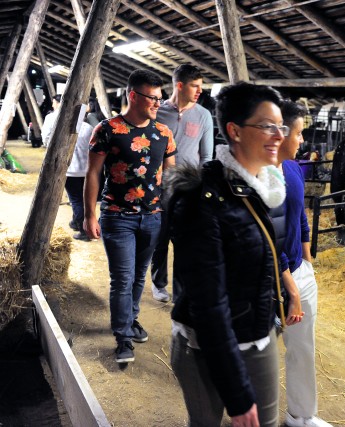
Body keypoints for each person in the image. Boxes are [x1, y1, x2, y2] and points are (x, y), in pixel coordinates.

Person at [167, 81, 287, 427]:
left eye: (280, 126)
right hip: (206, 348)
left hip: (259, 336)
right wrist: (236, 394)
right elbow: (209, 305)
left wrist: (285, 292)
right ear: (234, 130)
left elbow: (265, 257)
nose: (278, 134)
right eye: (267, 126)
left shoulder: (263, 188)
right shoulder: (203, 200)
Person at [83, 69, 176, 364]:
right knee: (122, 278)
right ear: (133, 96)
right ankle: (123, 336)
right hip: (117, 215)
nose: (157, 104)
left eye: (160, 98)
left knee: (138, 276)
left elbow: (172, 175)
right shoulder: (107, 129)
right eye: (153, 98)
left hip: (152, 216)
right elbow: (93, 173)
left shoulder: (163, 133)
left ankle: (131, 320)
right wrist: (89, 215)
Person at [278, 100, 333, 427]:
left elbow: (301, 218)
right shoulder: (264, 175)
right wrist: (291, 287)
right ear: (279, 132)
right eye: (298, 133)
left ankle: (301, 415)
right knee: (262, 352)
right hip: (275, 278)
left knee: (303, 348)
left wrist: (308, 261)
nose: (302, 141)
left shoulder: (294, 168)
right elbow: (272, 236)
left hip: (299, 271)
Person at [150, 64, 214, 303]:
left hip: (187, 189)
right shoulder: (159, 112)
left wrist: (203, 188)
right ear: (179, 85)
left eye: (201, 86)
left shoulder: (204, 115)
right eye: (195, 86)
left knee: (185, 241)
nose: (199, 91)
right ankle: (159, 284)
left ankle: (180, 289)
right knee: (160, 238)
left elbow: (206, 157)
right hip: (158, 187)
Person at [65, 118, 94, 240]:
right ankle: (76, 222)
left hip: (71, 170)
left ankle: (84, 231)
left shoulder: (65, 127)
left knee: (76, 200)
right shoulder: (88, 127)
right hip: (86, 169)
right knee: (83, 199)